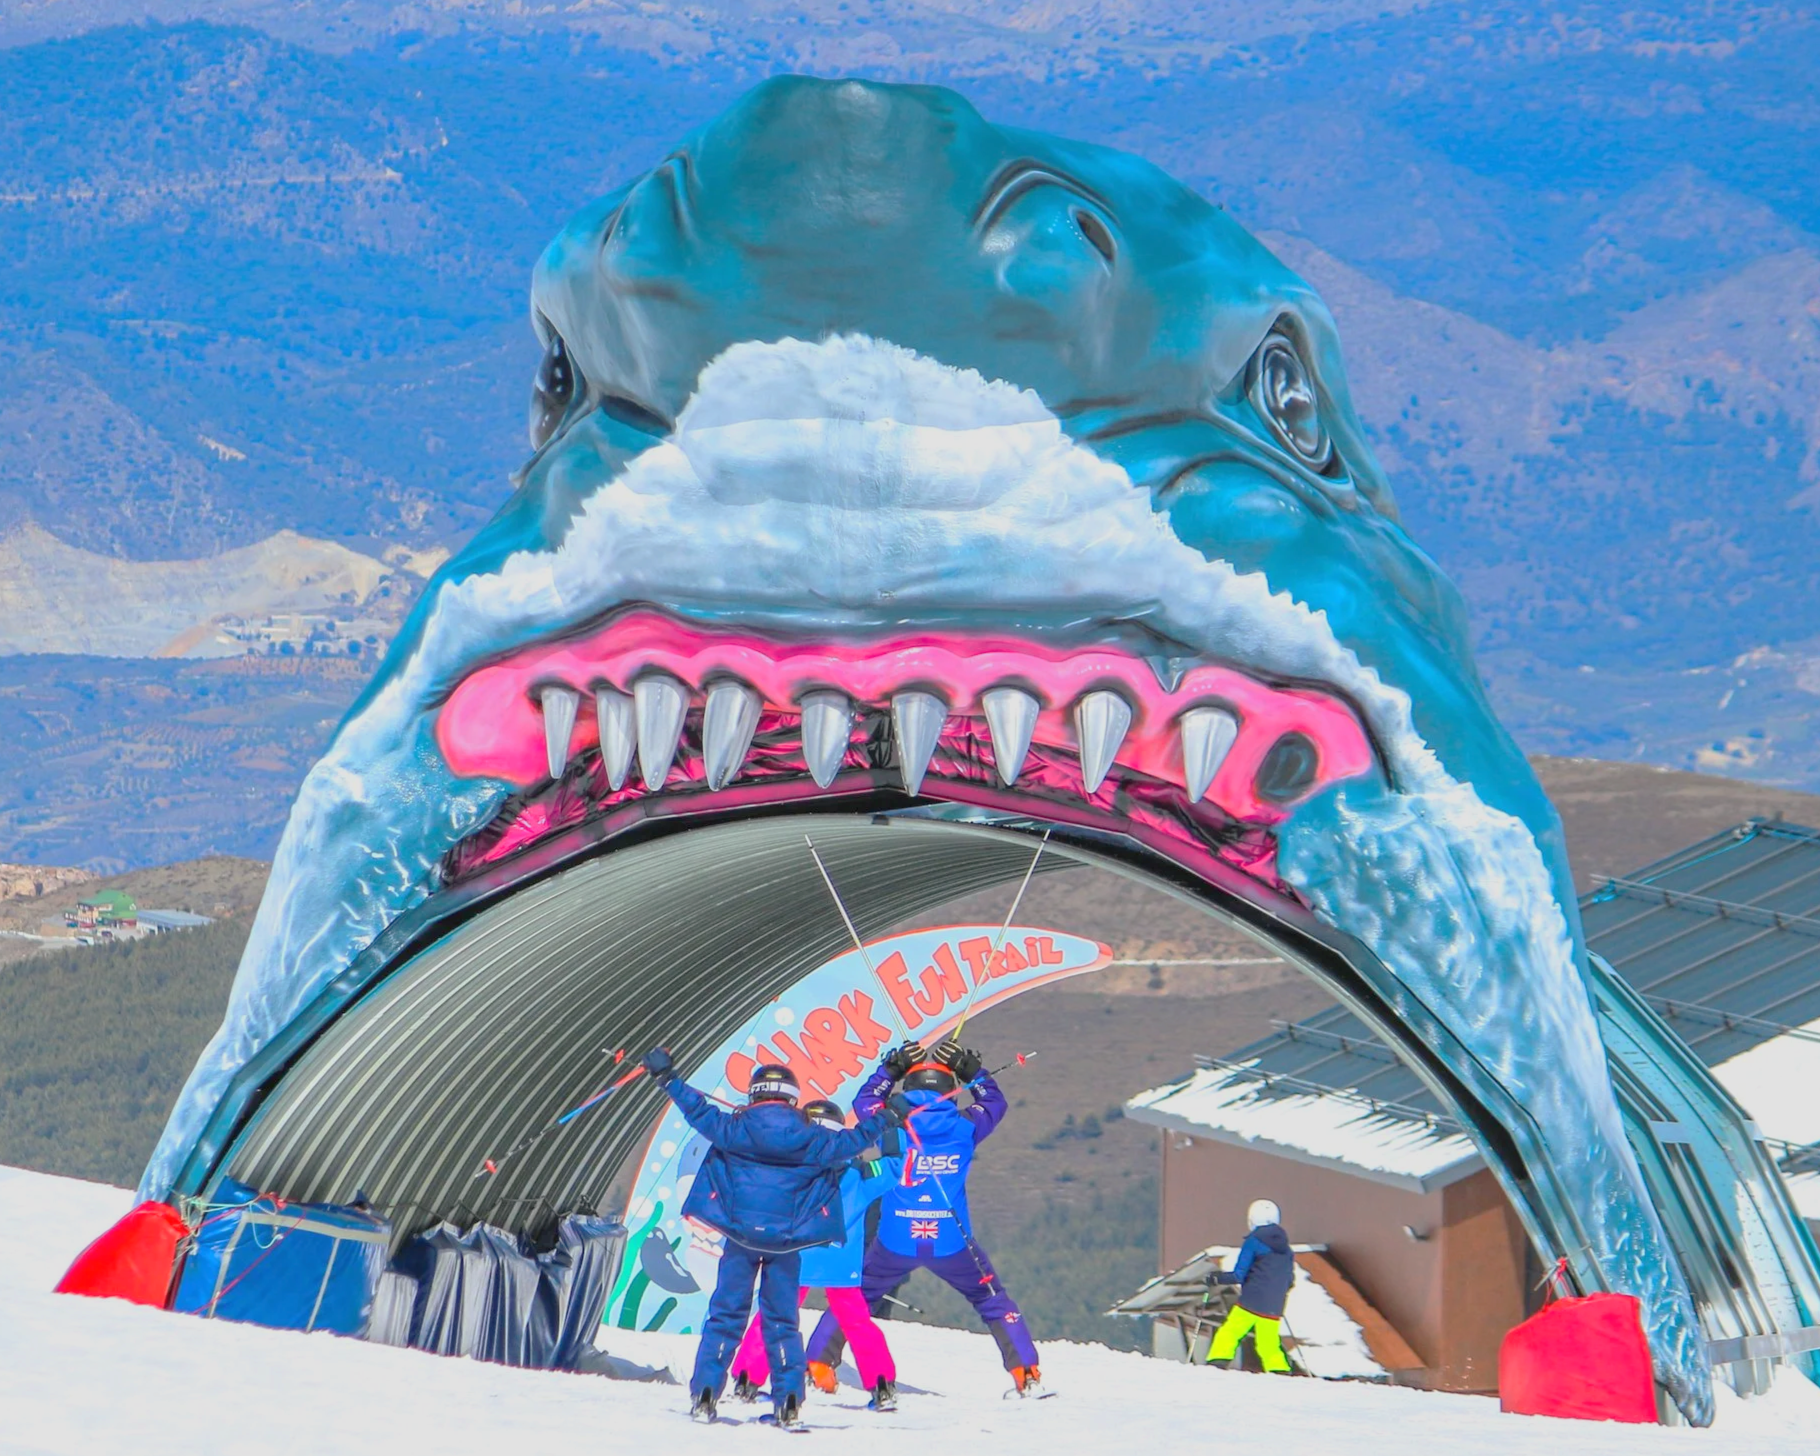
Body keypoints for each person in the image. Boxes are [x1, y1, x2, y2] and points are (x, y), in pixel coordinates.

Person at [642, 1049, 902, 1428]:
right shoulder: (813, 1139)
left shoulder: (733, 1128)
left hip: (740, 1240)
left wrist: (666, 1077)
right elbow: (856, 1141)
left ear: (754, 1094)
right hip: (787, 1245)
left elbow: (695, 1109)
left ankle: (706, 1396)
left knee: (726, 1317)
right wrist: (891, 1116)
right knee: (782, 1322)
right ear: (792, 1098)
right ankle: (789, 1403)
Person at [848, 1037, 1046, 1398]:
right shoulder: (965, 1126)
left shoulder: (889, 1125)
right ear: (952, 1095)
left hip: (895, 1238)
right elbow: (994, 1103)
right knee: (992, 1300)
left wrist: (889, 1071)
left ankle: (820, 1367)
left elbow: (864, 1102)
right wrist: (973, 1072)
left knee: (856, 1298)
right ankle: (1026, 1373)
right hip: (952, 1241)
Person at [727, 1098, 905, 1412]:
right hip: (840, 1263)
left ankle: (746, 1379)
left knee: (773, 1317)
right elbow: (892, 1165)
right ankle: (881, 1385)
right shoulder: (859, 1172)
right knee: (857, 1323)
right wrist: (894, 1127)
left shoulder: (790, 1168)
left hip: (795, 1259)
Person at [1205, 1198, 1296, 1374]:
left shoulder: (1254, 1241)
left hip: (1252, 1299)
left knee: (1229, 1334)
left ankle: (1215, 1367)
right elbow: (1290, 1280)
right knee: (1268, 1344)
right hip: (1275, 1304)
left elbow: (1239, 1274)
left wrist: (1216, 1279)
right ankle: (1282, 1375)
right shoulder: (1286, 1249)